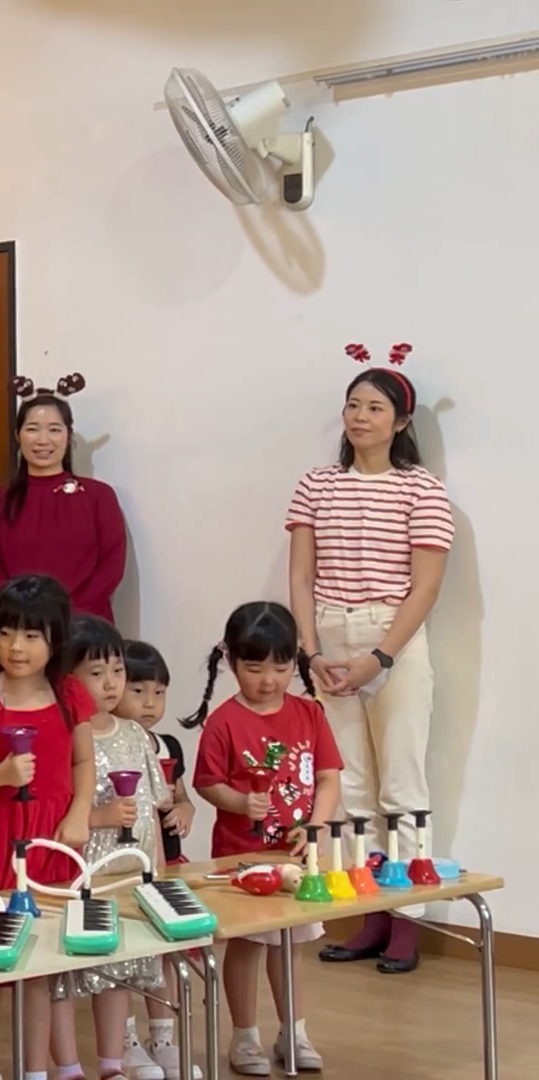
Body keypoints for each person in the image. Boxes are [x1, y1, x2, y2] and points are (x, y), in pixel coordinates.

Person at [286, 348, 451, 975]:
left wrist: (380, 656)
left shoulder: (422, 489)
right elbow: (301, 576)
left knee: (401, 781)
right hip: (329, 634)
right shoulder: (316, 483)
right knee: (348, 783)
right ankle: (368, 912)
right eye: (353, 405)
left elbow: (426, 588)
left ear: (401, 421)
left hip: (394, 636)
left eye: (375, 408)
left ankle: (406, 918)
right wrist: (311, 652)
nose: (360, 416)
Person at [0, 573, 95, 1080]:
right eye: (6, 633)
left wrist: (79, 813)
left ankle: (34, 1072)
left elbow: (83, 762)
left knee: (41, 966)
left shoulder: (70, 695)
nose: (16, 647)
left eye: (30, 635)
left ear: (55, 639)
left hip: (51, 840)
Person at [185, 601, 340, 1076]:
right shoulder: (224, 721)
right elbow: (206, 782)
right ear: (231, 662)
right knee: (247, 945)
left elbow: (329, 777)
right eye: (254, 668)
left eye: (281, 667)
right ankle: (244, 1036)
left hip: (296, 857)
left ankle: (294, 1033)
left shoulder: (309, 714)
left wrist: (316, 826)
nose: (269, 680)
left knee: (289, 946)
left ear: (296, 662)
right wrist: (237, 802)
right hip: (241, 857)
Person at [49, 617, 170, 1080]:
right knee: (64, 974)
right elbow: (58, 810)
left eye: (117, 671)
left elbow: (150, 809)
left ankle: (112, 1063)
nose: (110, 683)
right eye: (96, 673)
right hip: (84, 872)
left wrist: (158, 869)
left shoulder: (135, 734)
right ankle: (67, 1067)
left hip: (131, 871)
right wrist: (98, 816)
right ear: (68, 678)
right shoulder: (65, 735)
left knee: (120, 968)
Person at [0, 377, 127, 622]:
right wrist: (26, 619)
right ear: (17, 436)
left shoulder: (99, 497)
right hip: (21, 629)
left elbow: (112, 564)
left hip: (86, 627)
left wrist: (69, 616)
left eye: (54, 429)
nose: (43, 440)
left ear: (68, 436)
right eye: (32, 429)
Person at [114, 640, 198, 1079]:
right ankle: (124, 1041)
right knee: (125, 953)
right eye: (138, 690)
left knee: (164, 953)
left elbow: (183, 797)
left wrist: (184, 810)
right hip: (122, 864)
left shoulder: (168, 746)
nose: (150, 703)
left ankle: (162, 1038)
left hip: (165, 863)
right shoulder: (107, 743)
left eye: (159, 692)